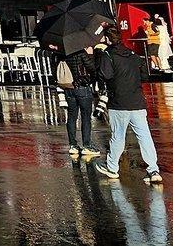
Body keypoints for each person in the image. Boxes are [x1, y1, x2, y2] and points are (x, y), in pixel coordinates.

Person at [95, 26, 163, 185]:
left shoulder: (108, 55)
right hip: (137, 101)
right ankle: (153, 169)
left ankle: (112, 167)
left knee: (118, 136)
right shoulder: (133, 55)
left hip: (119, 102)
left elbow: (105, 75)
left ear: (107, 39)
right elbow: (145, 76)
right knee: (145, 136)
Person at [60, 44, 101, 160]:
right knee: (85, 117)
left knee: (72, 116)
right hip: (82, 87)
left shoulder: (64, 54)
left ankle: (73, 145)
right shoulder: (80, 53)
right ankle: (86, 145)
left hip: (68, 88)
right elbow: (91, 67)